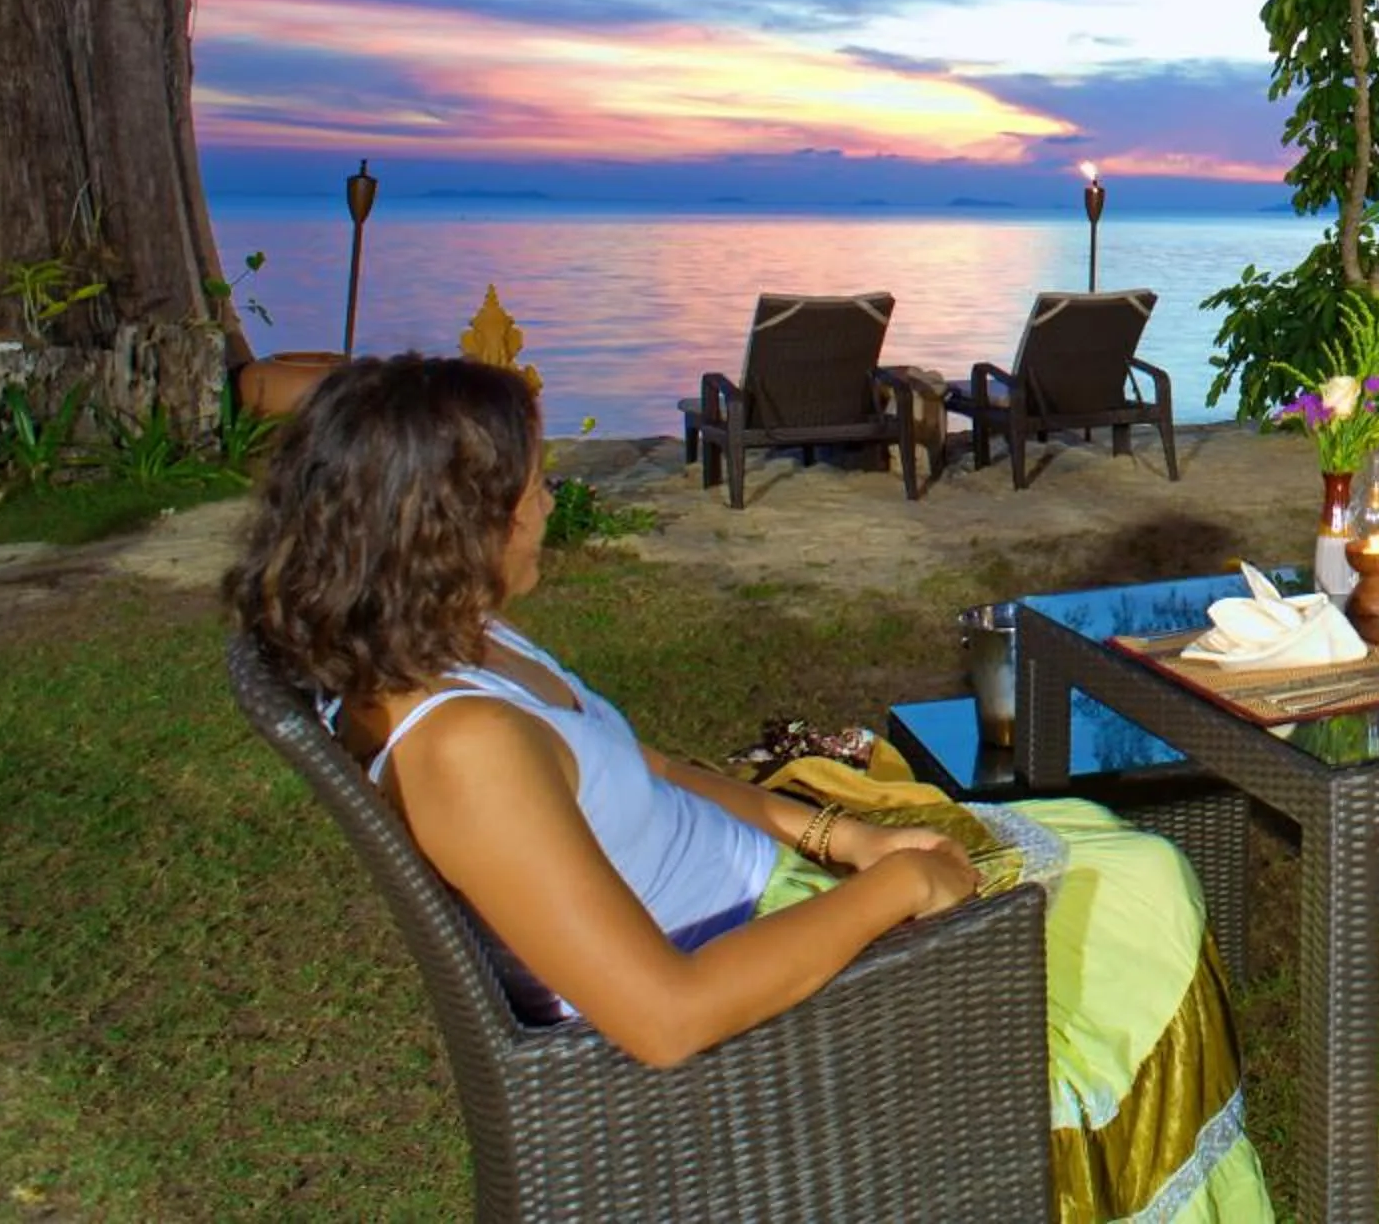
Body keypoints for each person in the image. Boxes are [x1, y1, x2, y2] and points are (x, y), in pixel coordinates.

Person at [223, 356, 1268, 1223]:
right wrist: (893, 891)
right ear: (451, 525)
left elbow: (645, 770)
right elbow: (666, 1017)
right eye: (531, 487)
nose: (547, 504)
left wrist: (836, 835)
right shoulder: (465, 749)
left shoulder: (450, 643)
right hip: (758, 983)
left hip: (777, 883)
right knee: (1140, 896)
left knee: (1122, 861)